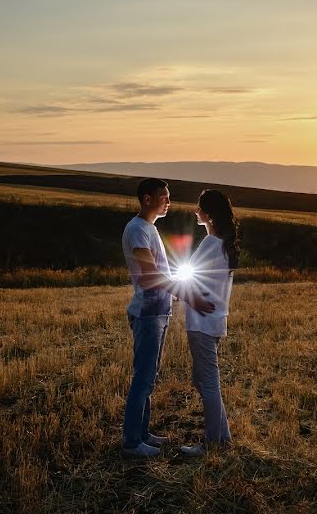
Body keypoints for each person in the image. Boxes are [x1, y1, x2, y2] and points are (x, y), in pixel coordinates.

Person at [120, 178, 213, 458]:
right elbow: (151, 274)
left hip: (158, 310)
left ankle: (143, 434)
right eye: (164, 197)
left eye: (169, 196)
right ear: (147, 199)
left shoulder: (149, 228)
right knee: (143, 378)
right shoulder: (137, 229)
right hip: (148, 312)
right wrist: (187, 294)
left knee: (150, 376)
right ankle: (131, 443)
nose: (168, 202)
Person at [178, 189, 239, 456]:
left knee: (208, 382)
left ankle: (214, 443)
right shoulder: (223, 244)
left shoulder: (211, 244)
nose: (196, 211)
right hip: (212, 321)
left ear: (209, 214)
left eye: (199, 207)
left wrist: (185, 295)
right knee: (203, 381)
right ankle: (222, 437)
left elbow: (189, 278)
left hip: (202, 322)